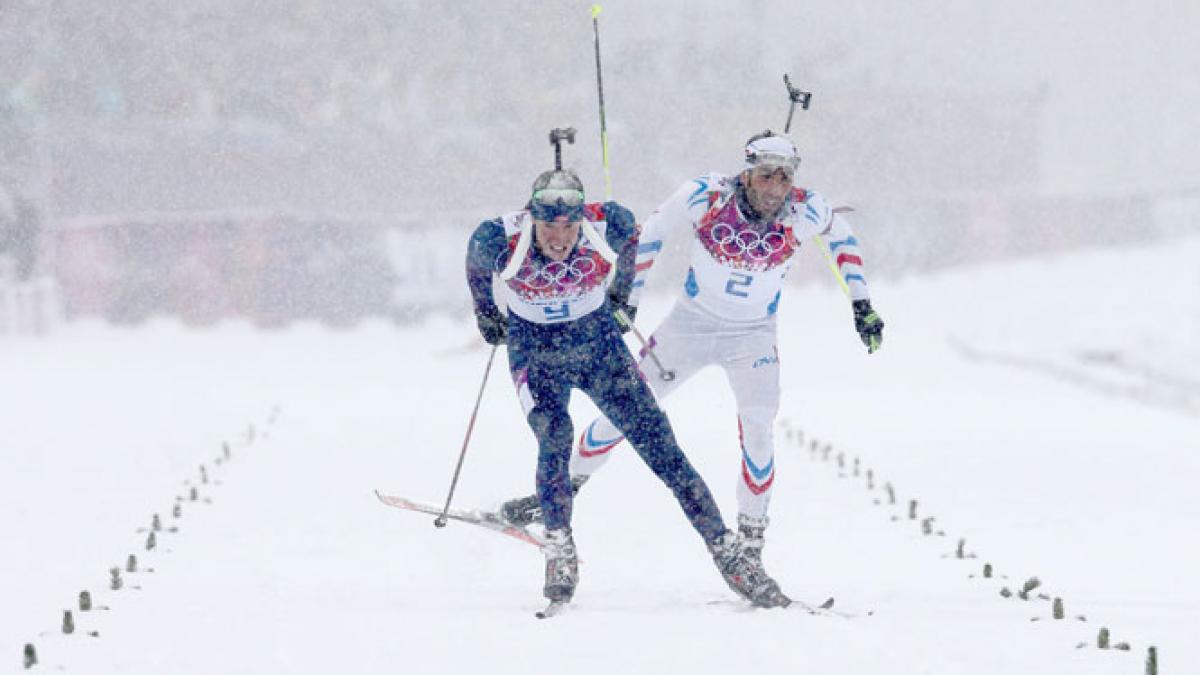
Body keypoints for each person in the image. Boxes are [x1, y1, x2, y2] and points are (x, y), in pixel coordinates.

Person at [499, 130, 885, 565]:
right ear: (747, 171)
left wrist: (862, 304)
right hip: (690, 326)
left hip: (753, 335)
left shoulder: (806, 208)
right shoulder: (707, 195)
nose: (774, 188)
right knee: (623, 415)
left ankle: (751, 542)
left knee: (758, 427)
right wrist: (628, 300)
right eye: (764, 176)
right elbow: (650, 235)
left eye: (784, 178)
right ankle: (556, 495)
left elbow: (842, 236)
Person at [466, 165, 786, 608]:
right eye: (548, 226)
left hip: (597, 349)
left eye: (568, 226)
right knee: (554, 437)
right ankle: (559, 546)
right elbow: (476, 259)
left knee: (663, 450)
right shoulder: (499, 238)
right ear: (530, 218)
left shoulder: (605, 223)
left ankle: (726, 551)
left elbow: (634, 235)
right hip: (536, 355)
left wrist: (621, 296)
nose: (559, 238)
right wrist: (485, 312)